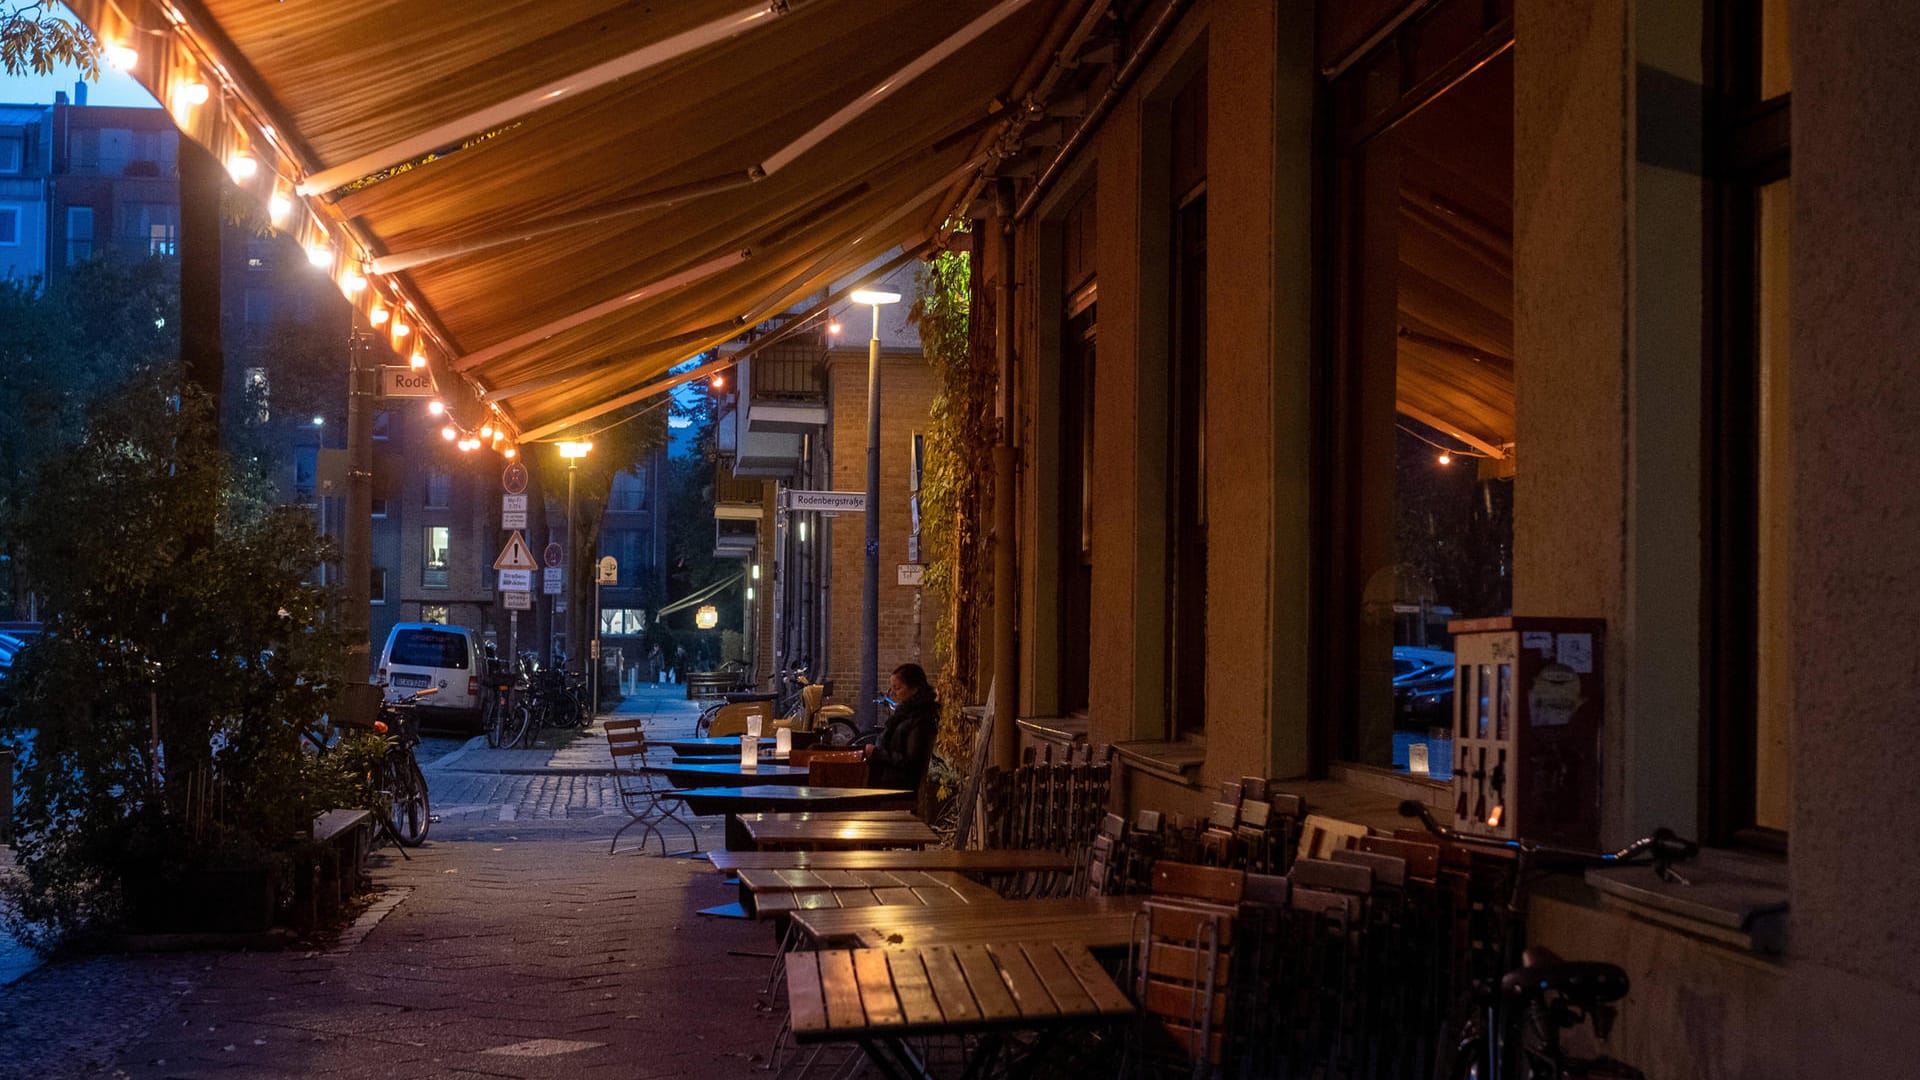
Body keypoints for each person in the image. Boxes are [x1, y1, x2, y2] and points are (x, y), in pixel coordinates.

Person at [865, 663, 938, 792]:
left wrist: (877, 753)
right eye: (891, 688)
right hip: (887, 779)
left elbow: (911, 761)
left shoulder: (920, 718)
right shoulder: (903, 713)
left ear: (914, 689)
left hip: (898, 786)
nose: (893, 693)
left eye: (897, 688)